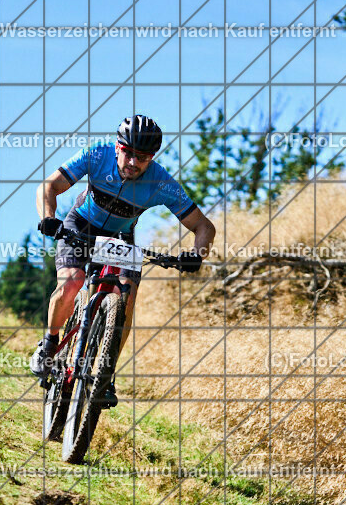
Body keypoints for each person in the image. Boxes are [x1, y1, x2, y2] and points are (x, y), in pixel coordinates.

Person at [30, 114, 216, 407]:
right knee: (72, 282)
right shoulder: (96, 154)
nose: (132, 162)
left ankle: (106, 373)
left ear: (151, 158)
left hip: (120, 239)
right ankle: (50, 343)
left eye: (141, 158)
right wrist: (48, 218)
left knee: (126, 297)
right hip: (80, 225)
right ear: (118, 147)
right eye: (128, 153)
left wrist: (197, 255)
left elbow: (204, 226)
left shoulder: (161, 182)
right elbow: (48, 187)